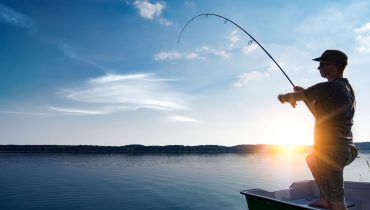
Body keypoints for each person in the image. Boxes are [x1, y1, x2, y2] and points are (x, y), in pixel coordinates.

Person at [277, 50, 358, 210]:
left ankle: (331, 201)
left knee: (338, 205)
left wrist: (283, 97)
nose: (319, 68)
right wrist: (304, 96)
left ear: (333, 67)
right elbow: (319, 114)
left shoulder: (330, 86)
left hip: (331, 152)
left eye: (322, 64)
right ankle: (324, 199)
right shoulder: (346, 88)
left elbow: (296, 96)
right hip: (347, 150)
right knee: (312, 159)